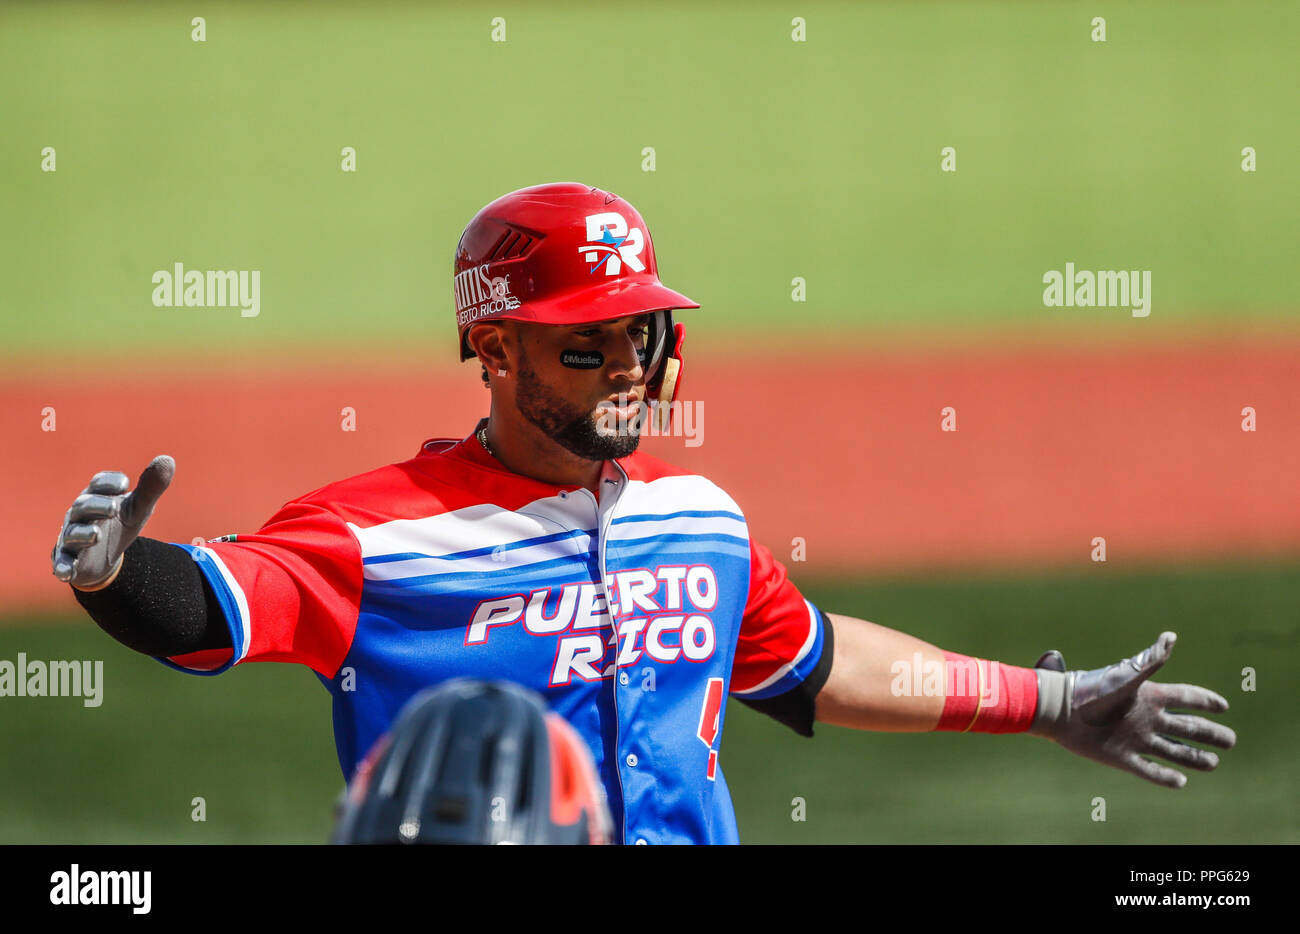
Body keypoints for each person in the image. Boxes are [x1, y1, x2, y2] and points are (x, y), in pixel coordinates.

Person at [52, 182, 1236, 845]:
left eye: (643, 335)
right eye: (585, 343)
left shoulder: (701, 521)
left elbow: (811, 663)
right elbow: (214, 603)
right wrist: (113, 574)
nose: (626, 366)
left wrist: (1045, 702)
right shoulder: (376, 533)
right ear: (494, 350)